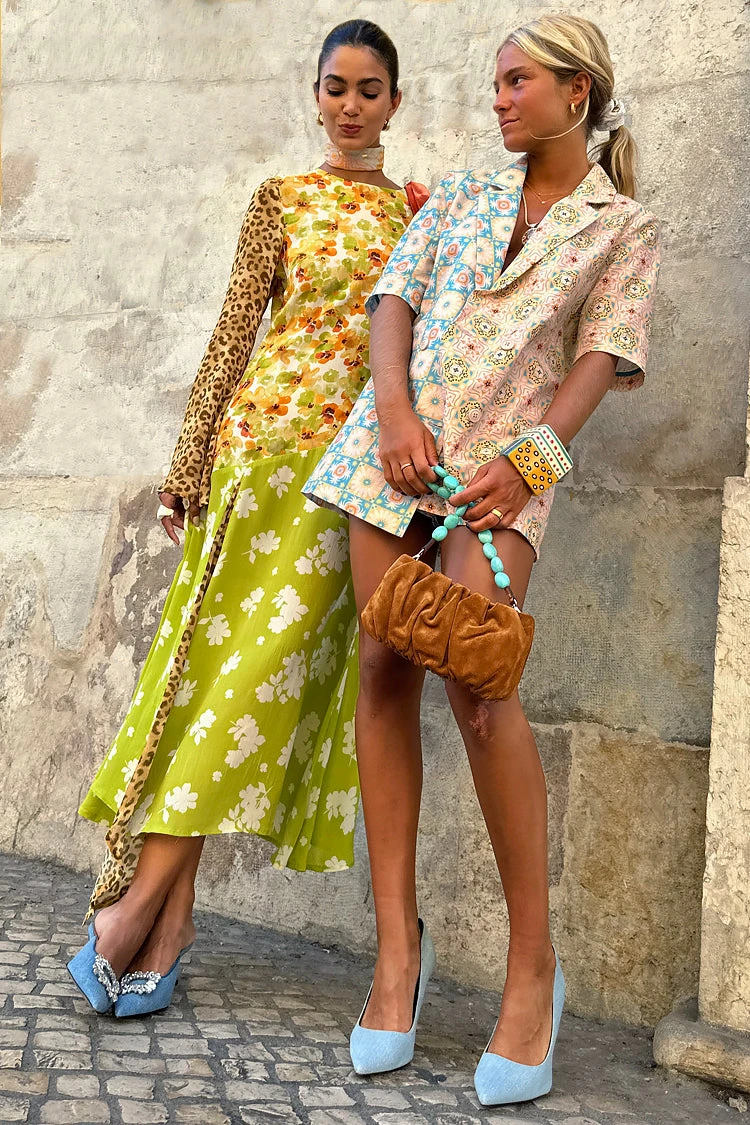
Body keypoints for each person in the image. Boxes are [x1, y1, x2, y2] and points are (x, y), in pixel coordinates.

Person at [304, 13, 661, 1105]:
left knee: (480, 688)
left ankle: (532, 966)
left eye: (517, 81)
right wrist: (394, 414)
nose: (499, 99)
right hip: (392, 454)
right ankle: (395, 954)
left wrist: (532, 463)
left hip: (504, 475)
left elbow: (603, 357)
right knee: (381, 667)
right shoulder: (459, 193)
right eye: (496, 83)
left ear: (576, 91)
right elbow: (393, 303)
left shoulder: (621, 226)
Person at [67, 18, 428, 1019]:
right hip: (256, 459)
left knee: (251, 689)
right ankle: (163, 917)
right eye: (335, 87)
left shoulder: (420, 214)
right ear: (316, 97)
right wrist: (189, 461)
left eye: (369, 90)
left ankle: (141, 909)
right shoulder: (280, 200)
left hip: (348, 483)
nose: (350, 105)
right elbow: (235, 332)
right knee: (210, 678)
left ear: (396, 103)